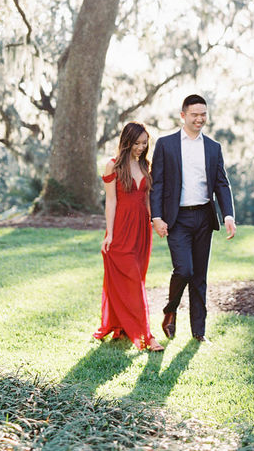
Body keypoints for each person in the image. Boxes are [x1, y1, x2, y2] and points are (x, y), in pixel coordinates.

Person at [151, 94, 236, 343]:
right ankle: (170, 310)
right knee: (184, 270)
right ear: (183, 115)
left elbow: (222, 184)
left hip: (203, 217)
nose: (199, 119)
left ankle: (199, 333)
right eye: (194, 114)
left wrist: (228, 214)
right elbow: (157, 184)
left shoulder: (213, 147)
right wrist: (156, 216)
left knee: (199, 277)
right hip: (176, 219)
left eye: (203, 114)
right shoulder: (166, 145)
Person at [94, 122, 164, 351]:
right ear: (126, 142)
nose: (141, 148)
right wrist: (110, 233)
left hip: (141, 232)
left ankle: (122, 326)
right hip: (121, 230)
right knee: (131, 282)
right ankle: (147, 335)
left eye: (144, 143)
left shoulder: (146, 166)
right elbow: (111, 201)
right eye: (137, 143)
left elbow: (147, 200)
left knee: (137, 280)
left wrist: (155, 222)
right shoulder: (112, 166)